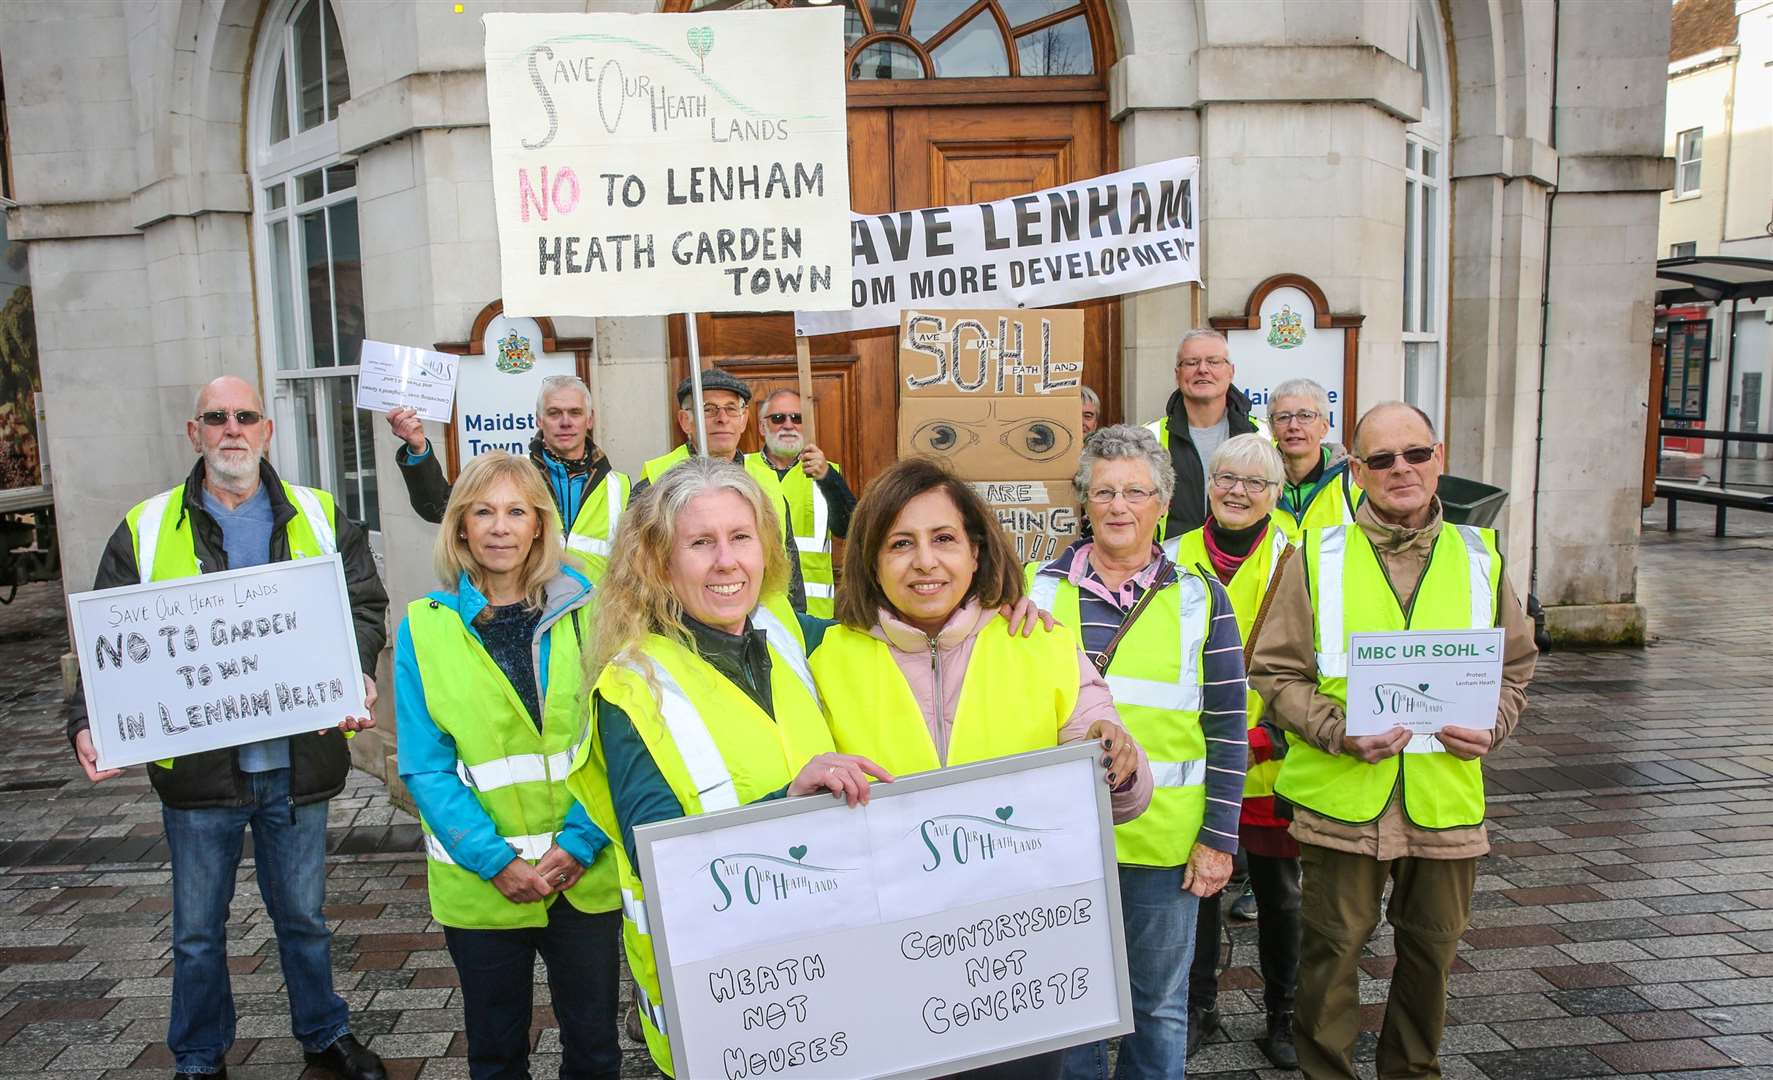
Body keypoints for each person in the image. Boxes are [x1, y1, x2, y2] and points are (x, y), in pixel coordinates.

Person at [68, 376, 387, 1080]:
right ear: (195, 433)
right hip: (200, 767)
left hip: (297, 764)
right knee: (196, 935)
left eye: (245, 416)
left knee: (303, 919)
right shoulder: (146, 528)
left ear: (267, 431)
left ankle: (325, 1034)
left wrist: (355, 666)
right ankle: (199, 1056)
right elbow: (110, 645)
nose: (231, 429)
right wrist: (87, 721)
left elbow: (363, 606)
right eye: (217, 418)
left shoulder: (322, 514)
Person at [809, 456, 1153, 1080]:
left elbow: (1122, 798)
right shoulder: (825, 662)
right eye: (900, 544)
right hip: (887, 967)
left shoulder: (1041, 644)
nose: (925, 562)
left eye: (943, 539)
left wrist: (1116, 760)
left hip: (1012, 966)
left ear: (975, 550)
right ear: (870, 560)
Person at [565, 456, 889, 1078]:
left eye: (741, 538)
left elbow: (901, 629)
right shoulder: (634, 686)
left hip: (826, 967)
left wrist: (1002, 613)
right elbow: (653, 855)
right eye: (700, 543)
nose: (726, 562)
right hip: (728, 995)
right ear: (660, 563)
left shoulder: (788, 639)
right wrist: (787, 803)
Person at [1250, 402, 1538, 1080]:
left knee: (1431, 960)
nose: (1399, 469)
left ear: (1438, 458)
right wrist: (1336, 730)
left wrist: (1492, 723)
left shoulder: (1479, 556)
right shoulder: (1316, 558)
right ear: (1356, 471)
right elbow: (1274, 671)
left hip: (1443, 802)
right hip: (1339, 804)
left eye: (1413, 454)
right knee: (1329, 958)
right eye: (1380, 459)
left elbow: (1516, 669)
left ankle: (1412, 1073)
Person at [1024, 425, 1247, 1080]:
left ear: (1161, 502)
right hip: (1061, 845)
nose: (1118, 507)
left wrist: (1218, 839)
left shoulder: (1202, 599)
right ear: (1083, 502)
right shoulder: (1033, 594)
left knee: (1156, 1008)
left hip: (1163, 846)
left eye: (1134, 492)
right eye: (1104, 492)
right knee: (1073, 1007)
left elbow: (1228, 727)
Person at [394, 451, 620, 1080]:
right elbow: (425, 766)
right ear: (460, 525)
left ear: (540, 525)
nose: (500, 527)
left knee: (596, 1047)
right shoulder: (424, 627)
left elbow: (617, 741)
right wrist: (495, 861)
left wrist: (579, 841)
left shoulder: (591, 611)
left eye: (517, 511)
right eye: (483, 511)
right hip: (483, 884)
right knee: (496, 1052)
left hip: (585, 870)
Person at [1166, 433, 1300, 1068]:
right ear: (1208, 484)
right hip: (1199, 759)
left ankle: (1285, 1014)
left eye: (1254, 483)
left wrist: (1270, 734)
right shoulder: (1172, 554)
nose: (1237, 492)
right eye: (1225, 478)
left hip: (1276, 760)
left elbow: (1320, 661)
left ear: (1275, 493)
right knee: (1199, 890)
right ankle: (1200, 1008)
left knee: (1279, 896)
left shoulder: (1299, 558)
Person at [387, 374, 631, 581]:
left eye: (575, 413)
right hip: (529, 617)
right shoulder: (509, 474)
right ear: (538, 419)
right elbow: (439, 506)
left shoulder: (620, 486)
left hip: (595, 627)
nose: (565, 422)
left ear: (590, 419)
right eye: (554, 413)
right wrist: (418, 450)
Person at [635, 368, 809, 610]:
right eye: (708, 409)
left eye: (730, 408)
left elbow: (789, 567)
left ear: (744, 419)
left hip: (764, 626)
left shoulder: (766, 481)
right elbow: (637, 573)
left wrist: (796, 620)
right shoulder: (655, 482)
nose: (722, 419)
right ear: (686, 421)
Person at [1145, 329, 1268, 543]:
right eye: (1192, 362)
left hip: (1244, 566)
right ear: (1177, 374)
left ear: (1231, 371)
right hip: (1169, 567)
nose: (1203, 369)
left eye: (1213, 361)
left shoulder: (1264, 436)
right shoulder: (1147, 439)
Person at [751, 387, 857, 617]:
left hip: (814, 612)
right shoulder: (742, 470)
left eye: (797, 418)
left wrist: (828, 477)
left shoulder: (824, 472)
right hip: (757, 609)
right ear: (762, 427)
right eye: (778, 418)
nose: (788, 425)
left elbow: (850, 528)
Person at [1268, 377, 1361, 544]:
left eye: (1305, 416)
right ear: (1273, 430)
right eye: (1283, 417)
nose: (1293, 426)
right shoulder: (1256, 483)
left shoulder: (1353, 482)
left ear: (1324, 427)